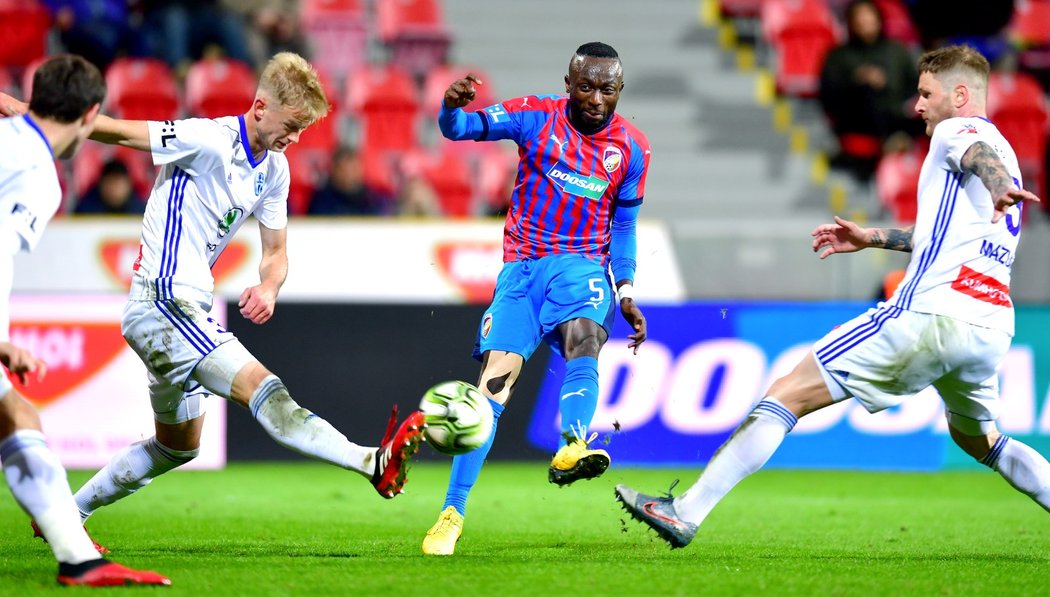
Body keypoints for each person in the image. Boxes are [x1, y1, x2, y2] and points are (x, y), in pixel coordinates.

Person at [616, 45, 1049, 549]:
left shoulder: (961, 132)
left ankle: (686, 511)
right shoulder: (1011, 156)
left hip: (929, 314)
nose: (917, 106)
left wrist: (994, 185)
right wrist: (874, 238)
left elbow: (980, 160)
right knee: (983, 440)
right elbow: (946, 231)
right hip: (990, 327)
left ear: (959, 94)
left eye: (926, 93)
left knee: (788, 392)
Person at [0, 52, 425, 539]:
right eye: (291, 125)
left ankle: (65, 514)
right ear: (260, 107)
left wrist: (269, 284)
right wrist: (25, 114)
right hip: (163, 301)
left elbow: (276, 251)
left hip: (181, 309)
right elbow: (117, 131)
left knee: (178, 446)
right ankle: (371, 461)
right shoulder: (207, 139)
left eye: (304, 129)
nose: (296, 138)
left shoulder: (276, 171)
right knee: (265, 389)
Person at [422, 41, 649, 556]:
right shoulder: (534, 116)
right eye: (585, 86)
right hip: (522, 274)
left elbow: (626, 223)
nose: (595, 98)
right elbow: (458, 131)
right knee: (492, 392)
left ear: (619, 91)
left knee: (585, 344)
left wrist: (626, 288)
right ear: (567, 84)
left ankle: (574, 443)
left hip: (582, 270)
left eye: (606, 89)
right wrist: (450, 107)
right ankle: (451, 513)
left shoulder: (632, 149)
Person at [0, 55, 169, 587]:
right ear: (91, 113)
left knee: (17, 418)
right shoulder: (37, 171)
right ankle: (78, 559)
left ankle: (78, 559)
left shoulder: (11, 141)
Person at [819, 0, 920, 182]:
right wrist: (857, 82)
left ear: (879, 20)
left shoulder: (897, 51)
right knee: (867, 95)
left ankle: (895, 142)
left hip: (895, 117)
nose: (865, 23)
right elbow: (828, 96)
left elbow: (914, 87)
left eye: (869, 17)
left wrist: (886, 84)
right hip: (856, 122)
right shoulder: (837, 56)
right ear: (851, 22)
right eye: (860, 19)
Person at [308, 146, 392, 215]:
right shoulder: (322, 200)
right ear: (333, 170)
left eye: (353, 168)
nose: (349, 174)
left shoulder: (373, 199)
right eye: (343, 169)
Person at [73, 158, 146, 215]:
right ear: (101, 185)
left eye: (118, 184)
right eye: (110, 183)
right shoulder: (85, 210)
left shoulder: (142, 211)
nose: (114, 189)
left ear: (129, 185)